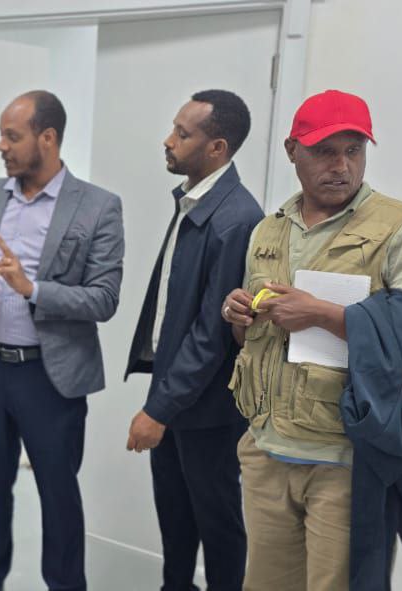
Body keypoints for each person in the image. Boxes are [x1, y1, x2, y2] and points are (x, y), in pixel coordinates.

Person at [220, 89, 402, 591]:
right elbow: (251, 339)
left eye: (354, 150)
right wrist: (239, 314)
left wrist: (327, 316)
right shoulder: (268, 230)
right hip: (266, 451)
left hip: (345, 462)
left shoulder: (401, 227)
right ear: (292, 151)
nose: (341, 166)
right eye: (325, 151)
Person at [0, 90, 124, 591]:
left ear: (47, 138)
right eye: (1, 135)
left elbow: (104, 299)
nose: (1, 146)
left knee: (58, 494)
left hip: (50, 378)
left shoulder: (98, 206)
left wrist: (33, 289)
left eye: (12, 136)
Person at [123, 89, 263, 591]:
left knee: (218, 524)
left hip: (206, 409)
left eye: (182, 134)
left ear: (217, 148)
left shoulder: (236, 218)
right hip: (175, 392)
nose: (169, 140)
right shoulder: (195, 200)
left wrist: (158, 410)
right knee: (175, 515)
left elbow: (211, 335)